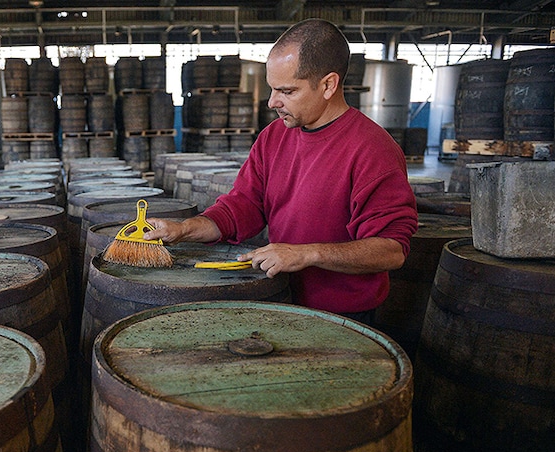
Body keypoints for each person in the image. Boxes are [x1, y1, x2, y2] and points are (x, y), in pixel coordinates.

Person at [145, 18, 418, 323]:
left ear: (328, 85)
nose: (273, 101)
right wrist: (185, 229)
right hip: (279, 298)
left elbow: (391, 250)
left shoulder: (372, 149)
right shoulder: (273, 137)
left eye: (287, 91)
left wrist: (306, 254)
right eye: (273, 89)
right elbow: (244, 206)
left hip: (343, 318)